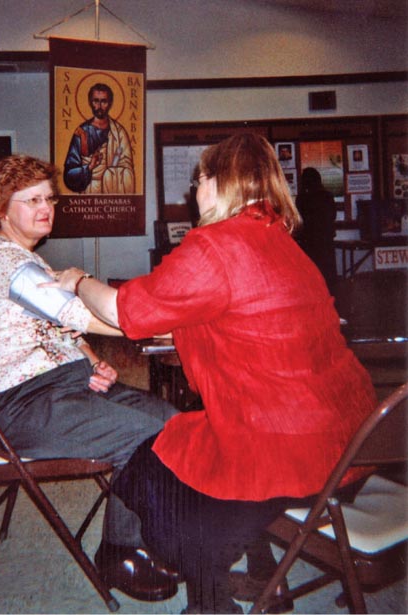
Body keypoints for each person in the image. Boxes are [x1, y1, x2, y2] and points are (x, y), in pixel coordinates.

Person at [49, 134, 377, 614]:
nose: (193, 191)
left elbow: (124, 310)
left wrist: (78, 280)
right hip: (353, 440)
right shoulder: (285, 244)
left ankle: (210, 601)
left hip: (288, 452)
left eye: (199, 179)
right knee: (196, 466)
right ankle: (264, 581)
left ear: (221, 182)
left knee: (152, 467)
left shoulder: (216, 245)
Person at [0, 154, 179, 602]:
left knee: (170, 418)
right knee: (144, 435)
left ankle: (148, 535)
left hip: (63, 386)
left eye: (50, 198)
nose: (46, 207)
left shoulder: (30, 259)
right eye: (32, 200)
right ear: (2, 209)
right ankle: (120, 552)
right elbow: (77, 312)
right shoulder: (1, 261)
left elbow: (62, 328)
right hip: (21, 407)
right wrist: (166, 325)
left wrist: (88, 359)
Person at [64, 83, 135, 194]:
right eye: (96, 101)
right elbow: (69, 174)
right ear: (90, 102)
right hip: (89, 191)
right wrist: (90, 167)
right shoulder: (81, 132)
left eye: (104, 101)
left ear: (110, 103)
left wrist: (110, 173)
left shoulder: (118, 132)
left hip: (112, 191)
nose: (100, 106)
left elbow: (127, 166)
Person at [295, 167, 337, 294]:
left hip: (309, 242)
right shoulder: (327, 196)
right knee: (328, 276)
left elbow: (299, 219)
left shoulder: (302, 198)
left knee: (312, 276)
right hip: (325, 241)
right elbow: (333, 215)